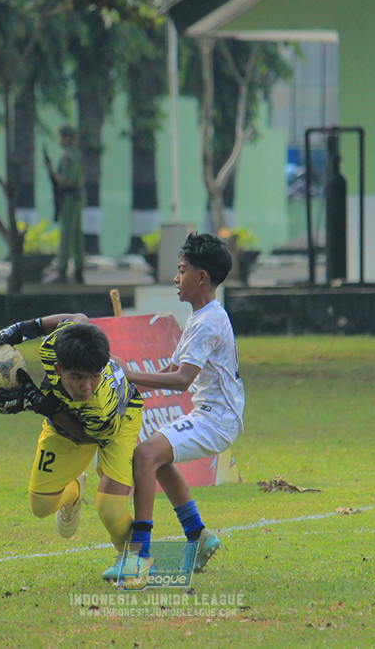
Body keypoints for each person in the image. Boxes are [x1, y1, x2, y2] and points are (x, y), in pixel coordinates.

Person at [0, 313, 143, 580]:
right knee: (40, 506)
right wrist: (20, 330)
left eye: (95, 376)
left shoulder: (100, 406)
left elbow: (88, 437)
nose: (86, 386)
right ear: (58, 369)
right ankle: (74, 491)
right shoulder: (52, 347)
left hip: (118, 422)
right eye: (77, 377)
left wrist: (43, 405)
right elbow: (78, 317)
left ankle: (133, 561)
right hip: (66, 417)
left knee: (109, 508)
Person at [118, 232, 245, 582]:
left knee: (145, 455)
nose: (176, 278)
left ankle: (139, 555)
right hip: (210, 415)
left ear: (201, 277)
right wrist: (128, 385)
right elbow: (171, 369)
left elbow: (182, 379)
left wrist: (129, 374)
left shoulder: (208, 321)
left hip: (217, 420)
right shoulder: (202, 316)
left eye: (182, 270)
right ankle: (198, 536)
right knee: (156, 458)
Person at [44, 126, 86, 284]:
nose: (59, 140)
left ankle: (61, 270)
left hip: (69, 197)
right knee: (76, 235)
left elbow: (66, 181)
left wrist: (51, 171)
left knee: (66, 233)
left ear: (68, 138)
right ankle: (79, 270)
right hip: (77, 198)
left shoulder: (67, 157)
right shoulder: (76, 155)